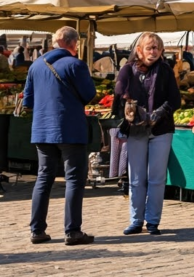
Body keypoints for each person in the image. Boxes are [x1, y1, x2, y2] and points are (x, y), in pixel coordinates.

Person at [24, 27, 97, 246]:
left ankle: (37, 230)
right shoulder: (75, 64)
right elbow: (89, 94)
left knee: (43, 177)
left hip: (42, 130)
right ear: (74, 44)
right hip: (70, 129)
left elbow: (27, 102)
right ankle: (72, 231)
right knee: (74, 179)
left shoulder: (35, 66)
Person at [115, 33, 181, 236]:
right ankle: (136, 220)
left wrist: (159, 113)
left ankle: (153, 221)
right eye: (149, 48)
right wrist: (129, 105)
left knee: (157, 178)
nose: (153, 52)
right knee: (136, 178)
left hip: (161, 129)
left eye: (156, 48)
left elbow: (174, 99)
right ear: (139, 50)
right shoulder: (128, 69)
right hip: (136, 130)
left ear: (161, 51)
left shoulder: (165, 70)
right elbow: (119, 95)